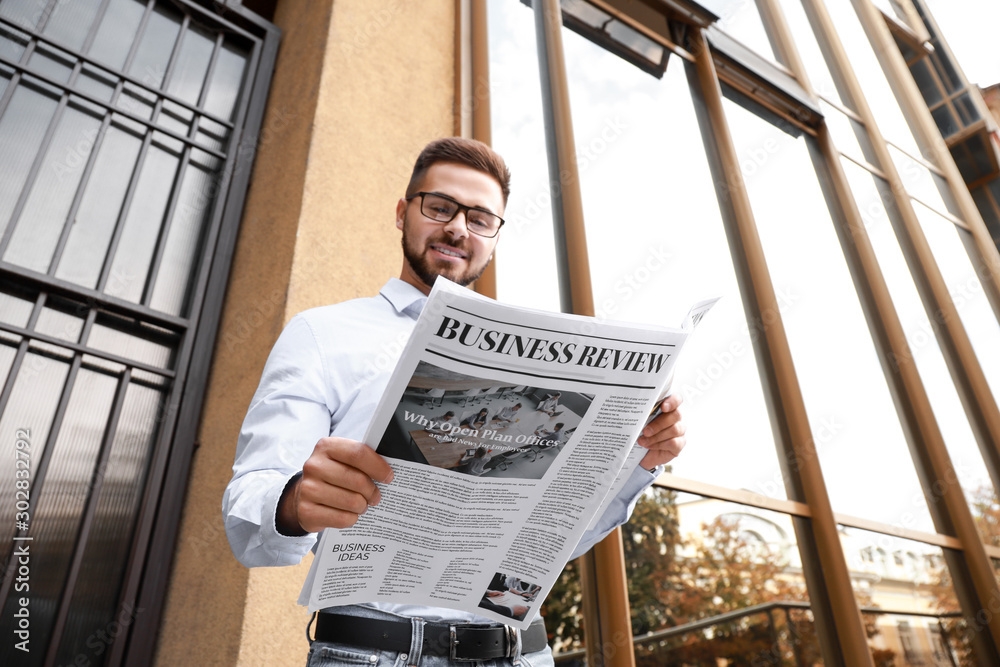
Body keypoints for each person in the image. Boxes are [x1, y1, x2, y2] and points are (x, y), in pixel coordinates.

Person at [223, 137, 687, 666]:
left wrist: (642, 460)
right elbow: (248, 513)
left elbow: (559, 539)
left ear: (494, 237)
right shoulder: (322, 334)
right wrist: (295, 502)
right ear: (403, 213)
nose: (458, 228)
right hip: (377, 652)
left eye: (480, 218)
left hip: (522, 650)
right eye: (440, 207)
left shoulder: (541, 361)